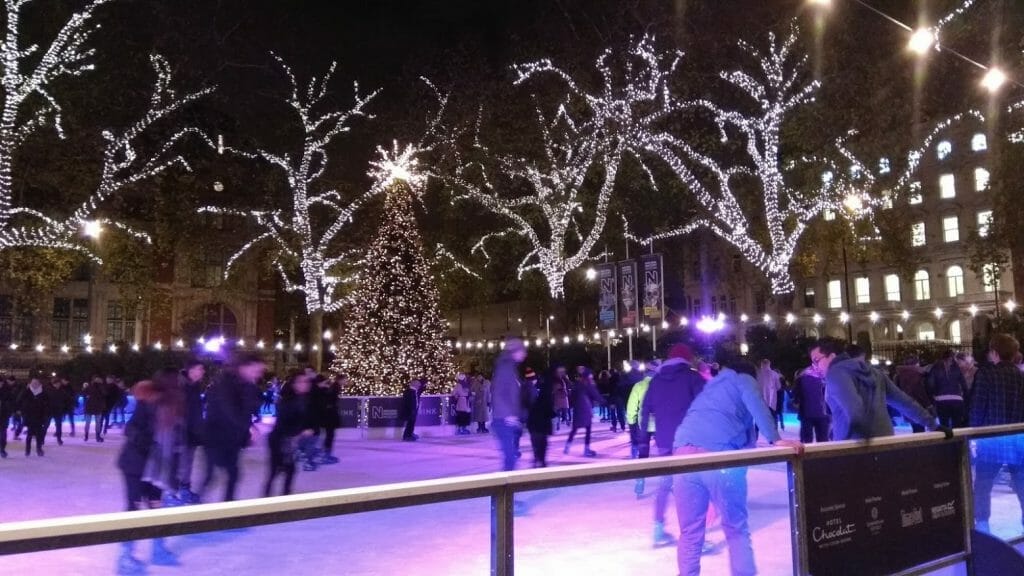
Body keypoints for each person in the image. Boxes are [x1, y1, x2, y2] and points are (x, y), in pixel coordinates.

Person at [673, 360, 804, 576]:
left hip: (683, 456)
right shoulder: (743, 379)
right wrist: (775, 438)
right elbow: (755, 403)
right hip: (719, 456)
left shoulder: (712, 387)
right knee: (736, 528)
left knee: (690, 531)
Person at [116, 370, 184, 574]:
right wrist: (146, 442)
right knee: (134, 509)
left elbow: (176, 443)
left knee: (156, 507)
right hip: (136, 465)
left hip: (158, 468)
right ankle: (125, 557)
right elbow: (130, 429)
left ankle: (158, 550)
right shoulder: (147, 403)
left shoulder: (174, 408)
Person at [640, 344, 706, 547]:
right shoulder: (692, 378)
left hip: (664, 440)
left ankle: (658, 528)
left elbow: (645, 408)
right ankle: (694, 538)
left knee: (665, 483)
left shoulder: (656, 380)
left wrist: (643, 436)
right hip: (689, 440)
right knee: (693, 488)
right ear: (687, 359)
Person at [813, 340, 940, 440]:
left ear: (832, 356)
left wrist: (851, 435)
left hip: (853, 447)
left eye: (816, 360)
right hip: (884, 440)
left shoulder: (835, 374)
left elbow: (854, 408)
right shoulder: (875, 372)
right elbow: (903, 401)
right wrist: (932, 424)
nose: (815, 366)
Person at [969, 333, 1024, 534]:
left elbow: (977, 407)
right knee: (1021, 483)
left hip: (991, 439)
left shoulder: (986, 374)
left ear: (994, 352)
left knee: (983, 484)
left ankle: (983, 523)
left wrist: (973, 435)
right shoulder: (1020, 376)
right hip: (1018, 439)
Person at [201, 352, 264, 502]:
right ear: (244, 367)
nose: (258, 374)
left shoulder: (246, 384)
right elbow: (231, 410)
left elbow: (251, 407)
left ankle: (227, 508)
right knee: (212, 476)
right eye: (256, 370)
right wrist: (249, 428)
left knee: (233, 474)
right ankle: (198, 504)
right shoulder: (225, 382)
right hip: (215, 436)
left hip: (231, 438)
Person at [265, 371, 316, 497]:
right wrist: (300, 432)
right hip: (279, 439)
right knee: (277, 470)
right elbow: (284, 422)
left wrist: (309, 428)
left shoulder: (305, 399)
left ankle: (284, 496)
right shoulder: (287, 400)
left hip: (290, 439)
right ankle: (267, 499)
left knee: (289, 470)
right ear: (294, 384)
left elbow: (308, 419)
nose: (305, 384)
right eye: (301, 382)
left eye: (307, 381)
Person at [491, 339, 526, 471]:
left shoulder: (510, 367)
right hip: (503, 420)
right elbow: (498, 393)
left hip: (507, 419)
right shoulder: (505, 367)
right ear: (515, 351)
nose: (525, 354)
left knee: (510, 458)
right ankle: (504, 490)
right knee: (510, 458)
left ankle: (506, 488)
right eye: (523, 351)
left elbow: (511, 394)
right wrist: (508, 415)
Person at [627, 360, 660, 497]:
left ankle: (640, 481)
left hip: (644, 424)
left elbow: (631, 406)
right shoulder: (662, 386)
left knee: (643, 454)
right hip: (660, 424)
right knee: (665, 453)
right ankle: (669, 480)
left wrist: (631, 421)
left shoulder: (639, 386)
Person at [175, 360, 206, 504]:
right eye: (200, 369)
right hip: (182, 433)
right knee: (181, 463)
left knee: (187, 463)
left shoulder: (194, 386)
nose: (203, 372)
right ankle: (177, 492)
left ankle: (185, 489)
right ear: (191, 370)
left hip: (192, 432)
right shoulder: (181, 386)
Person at [564, 367, 604, 457]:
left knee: (574, 429)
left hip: (578, 410)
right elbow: (596, 395)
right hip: (586, 410)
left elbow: (572, 397)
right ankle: (586, 449)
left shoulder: (577, 385)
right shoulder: (588, 384)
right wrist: (605, 402)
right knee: (588, 430)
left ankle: (567, 445)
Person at [927, 349, 968, 428]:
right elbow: (963, 384)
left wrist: (933, 397)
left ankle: (947, 439)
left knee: (944, 425)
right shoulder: (956, 367)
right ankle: (958, 440)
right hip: (957, 399)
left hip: (941, 400)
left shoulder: (935, 367)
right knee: (957, 425)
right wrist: (964, 398)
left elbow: (930, 384)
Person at [792, 366, 830, 443]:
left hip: (806, 413)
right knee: (823, 441)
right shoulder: (824, 378)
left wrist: (797, 403)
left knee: (807, 440)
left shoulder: (800, 379)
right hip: (822, 413)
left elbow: (796, 396)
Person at [894, 356, 932, 433]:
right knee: (920, 428)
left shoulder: (899, 375)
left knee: (916, 428)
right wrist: (928, 404)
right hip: (918, 404)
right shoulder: (918, 374)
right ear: (916, 364)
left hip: (906, 404)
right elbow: (920, 391)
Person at [524, 367, 553, 468]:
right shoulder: (532, 388)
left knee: (536, 440)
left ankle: (538, 458)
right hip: (536, 419)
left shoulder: (527, 387)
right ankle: (540, 459)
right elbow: (534, 404)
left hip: (533, 420)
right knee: (540, 440)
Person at [315, 374, 342, 463]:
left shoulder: (324, 390)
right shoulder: (322, 391)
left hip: (328, 417)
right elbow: (326, 404)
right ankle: (325, 455)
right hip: (328, 417)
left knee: (328, 435)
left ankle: (325, 454)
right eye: (324, 382)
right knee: (328, 435)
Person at [20, 376, 50, 457]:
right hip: (29, 416)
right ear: (30, 383)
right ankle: (27, 450)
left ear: (39, 384)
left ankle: (39, 449)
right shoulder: (26, 392)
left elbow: (47, 405)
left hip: (39, 417)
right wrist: (22, 411)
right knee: (29, 434)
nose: (34, 385)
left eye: (36, 383)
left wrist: (46, 415)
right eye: (33, 383)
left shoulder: (43, 393)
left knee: (39, 435)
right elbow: (19, 401)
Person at [757, 359, 783, 431]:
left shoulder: (757, 373)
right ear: (769, 364)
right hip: (771, 401)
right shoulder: (774, 374)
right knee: (773, 418)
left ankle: (755, 436)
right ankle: (773, 436)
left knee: (758, 417)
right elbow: (778, 387)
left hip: (760, 401)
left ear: (761, 364)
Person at [83, 375, 106, 442]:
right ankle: (95, 436)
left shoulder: (96, 387)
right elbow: (104, 394)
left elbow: (104, 394)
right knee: (94, 423)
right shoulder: (95, 387)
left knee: (91, 423)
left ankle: (89, 436)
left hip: (92, 407)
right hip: (94, 407)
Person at [551, 365, 572, 431]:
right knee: (565, 411)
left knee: (558, 412)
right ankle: (566, 421)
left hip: (558, 398)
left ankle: (558, 424)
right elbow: (569, 385)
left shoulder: (556, 381)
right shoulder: (564, 380)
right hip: (564, 398)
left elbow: (553, 390)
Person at [0, 377, 13, 458]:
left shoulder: (7, 391)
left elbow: (11, 402)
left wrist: (5, 405)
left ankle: (2, 449)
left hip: (4, 415)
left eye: (1, 383)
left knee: (3, 434)